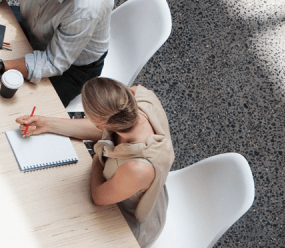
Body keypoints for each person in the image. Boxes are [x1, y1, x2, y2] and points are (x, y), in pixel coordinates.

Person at [15, 78, 173, 247]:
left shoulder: (137, 168)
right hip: (126, 186)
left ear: (99, 124)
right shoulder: (136, 96)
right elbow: (107, 128)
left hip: (127, 222)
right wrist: (46, 124)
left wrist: (100, 153)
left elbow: (98, 196)